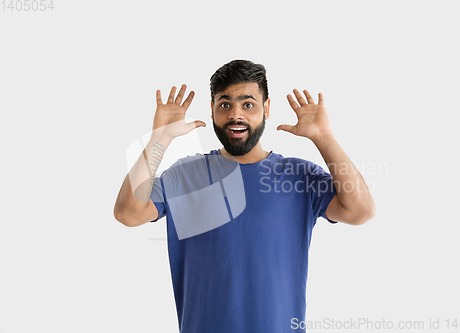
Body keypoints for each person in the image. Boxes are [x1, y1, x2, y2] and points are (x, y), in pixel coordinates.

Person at [113, 59, 376, 333]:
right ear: (212, 110)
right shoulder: (185, 176)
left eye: (248, 104)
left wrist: (324, 137)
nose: (235, 115)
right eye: (224, 104)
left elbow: (361, 211)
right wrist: (161, 138)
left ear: (267, 108)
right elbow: (128, 213)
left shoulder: (300, 176)